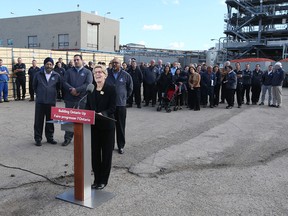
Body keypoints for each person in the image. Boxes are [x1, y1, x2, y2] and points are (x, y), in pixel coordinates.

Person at [86, 65, 116, 190]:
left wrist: (102, 114)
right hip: (94, 127)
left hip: (107, 127)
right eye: (95, 73)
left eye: (100, 72)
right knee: (95, 154)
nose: (97, 74)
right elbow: (87, 106)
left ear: (105, 74)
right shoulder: (91, 89)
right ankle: (96, 179)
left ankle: (103, 180)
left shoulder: (111, 89)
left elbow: (113, 108)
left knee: (106, 155)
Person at [62, 54, 93, 146]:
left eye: (77, 60)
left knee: (80, 120)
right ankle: (67, 138)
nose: (76, 61)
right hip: (70, 98)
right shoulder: (68, 71)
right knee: (68, 119)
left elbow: (88, 83)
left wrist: (77, 90)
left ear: (82, 60)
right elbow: (64, 82)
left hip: (81, 99)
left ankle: (80, 139)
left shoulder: (87, 72)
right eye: (74, 60)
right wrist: (71, 89)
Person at [106, 57, 133, 154]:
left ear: (120, 64)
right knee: (110, 126)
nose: (114, 64)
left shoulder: (126, 75)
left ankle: (121, 146)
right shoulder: (107, 75)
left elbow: (130, 88)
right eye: (113, 63)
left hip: (121, 105)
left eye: (116, 63)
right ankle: (110, 145)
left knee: (120, 126)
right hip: (109, 106)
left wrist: (124, 97)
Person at [33, 57, 61, 146]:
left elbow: (58, 87)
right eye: (47, 64)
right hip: (40, 102)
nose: (49, 66)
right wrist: (40, 93)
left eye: (50, 64)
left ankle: (50, 138)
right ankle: (38, 138)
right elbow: (34, 86)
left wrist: (51, 93)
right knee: (38, 121)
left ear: (53, 65)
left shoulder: (56, 75)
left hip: (51, 102)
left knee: (50, 121)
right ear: (44, 65)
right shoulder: (38, 75)